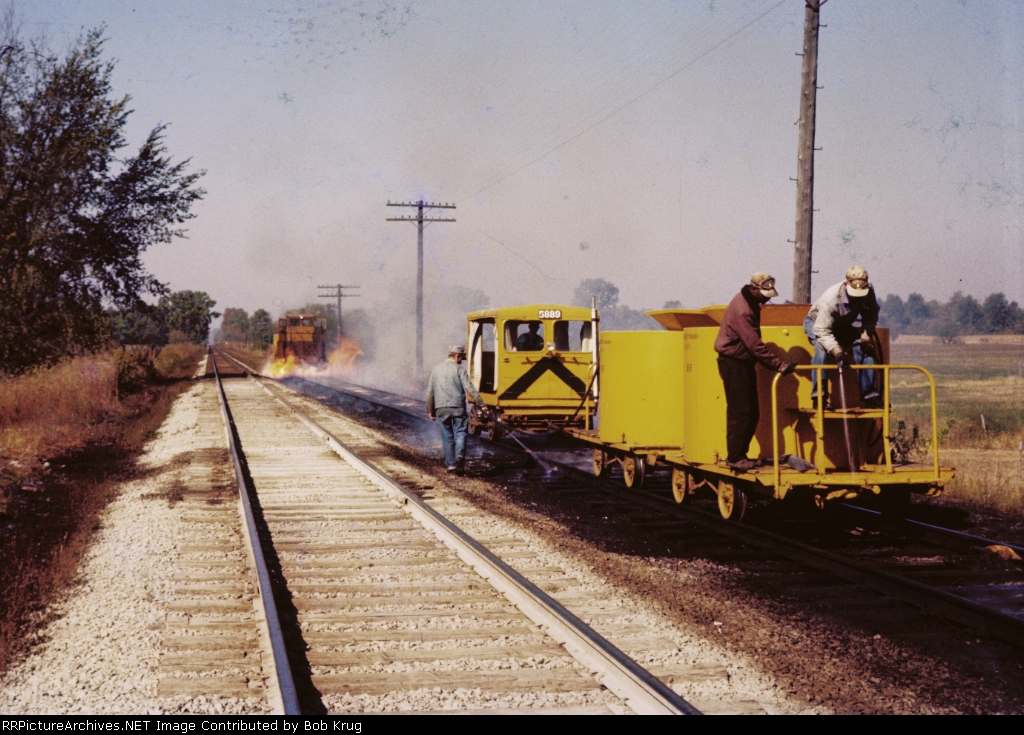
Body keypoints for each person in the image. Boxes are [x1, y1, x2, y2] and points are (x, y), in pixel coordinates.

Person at [714, 272, 795, 472]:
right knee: (741, 412)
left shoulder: (749, 303)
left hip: (742, 362)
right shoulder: (743, 310)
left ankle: (740, 454)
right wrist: (780, 365)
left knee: (751, 412)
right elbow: (755, 346)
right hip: (734, 363)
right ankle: (735, 457)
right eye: (765, 294)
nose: (768, 298)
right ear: (754, 289)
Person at [804, 265, 881, 409]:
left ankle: (870, 395)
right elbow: (822, 330)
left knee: (863, 349)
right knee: (821, 351)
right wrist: (837, 351)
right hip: (817, 323)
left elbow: (871, 314)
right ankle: (819, 397)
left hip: (842, 325)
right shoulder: (831, 299)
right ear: (846, 283)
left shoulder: (869, 290)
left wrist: (866, 336)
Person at [427, 345, 487, 475]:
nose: (462, 360)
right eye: (461, 358)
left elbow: (430, 392)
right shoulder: (459, 370)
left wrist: (431, 410)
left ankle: (451, 466)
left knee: (447, 436)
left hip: (441, 408)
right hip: (458, 408)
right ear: (457, 356)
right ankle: (460, 456)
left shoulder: (436, 369)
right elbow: (470, 388)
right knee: (460, 433)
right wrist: (482, 404)